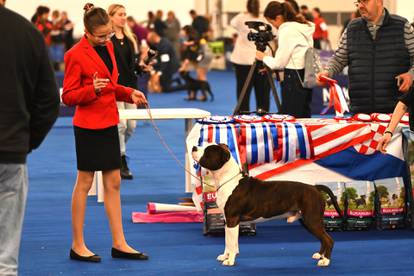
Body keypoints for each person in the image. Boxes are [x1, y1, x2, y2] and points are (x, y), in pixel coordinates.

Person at [62, 3, 148, 262]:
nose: (106, 39)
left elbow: (111, 84)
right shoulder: (74, 55)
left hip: (109, 121)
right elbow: (67, 96)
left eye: (108, 34)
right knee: (85, 183)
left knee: (114, 183)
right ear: (87, 32)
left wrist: (129, 93)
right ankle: (78, 244)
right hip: (87, 126)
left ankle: (119, 243)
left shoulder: (108, 46)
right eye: (101, 35)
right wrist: (93, 91)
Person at [0, 1, 60, 274]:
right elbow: (49, 101)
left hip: (13, 146)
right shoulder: (27, 32)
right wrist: (27, 141)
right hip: (11, 149)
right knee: (5, 258)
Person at [317, 0, 414, 114]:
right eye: (358, 2)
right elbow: (339, 59)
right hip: (361, 113)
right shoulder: (352, 28)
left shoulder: (402, 26)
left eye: (365, 1)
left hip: (396, 114)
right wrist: (327, 72)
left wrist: (411, 75)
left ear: (379, 1)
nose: (360, 6)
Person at [256, 1, 315, 118]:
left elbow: (279, 63)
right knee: (303, 117)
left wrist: (263, 57)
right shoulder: (302, 27)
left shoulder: (287, 30)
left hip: (294, 78)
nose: (274, 27)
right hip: (307, 75)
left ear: (278, 18)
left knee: (290, 119)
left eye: (272, 23)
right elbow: (295, 57)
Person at [108, 4, 142, 180]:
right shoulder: (107, 40)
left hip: (131, 87)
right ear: (111, 17)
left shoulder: (130, 39)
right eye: (120, 14)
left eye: (125, 14)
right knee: (120, 125)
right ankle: (121, 159)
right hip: (115, 88)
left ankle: (115, 151)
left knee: (131, 127)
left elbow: (132, 65)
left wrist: (141, 66)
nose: (123, 17)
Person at [230, 0, 271, 113]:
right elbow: (274, 34)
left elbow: (232, 23)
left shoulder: (241, 18)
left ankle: (243, 117)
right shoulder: (264, 19)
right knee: (262, 93)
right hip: (261, 59)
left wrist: (243, 13)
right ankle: (264, 116)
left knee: (243, 93)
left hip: (242, 61)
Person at [180, 25, 213, 101]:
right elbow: (191, 50)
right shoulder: (192, 36)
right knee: (200, 76)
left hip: (204, 55)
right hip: (205, 54)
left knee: (201, 75)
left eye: (182, 30)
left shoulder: (193, 37)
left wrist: (189, 43)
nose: (181, 32)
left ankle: (204, 96)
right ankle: (195, 95)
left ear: (186, 30)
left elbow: (196, 43)